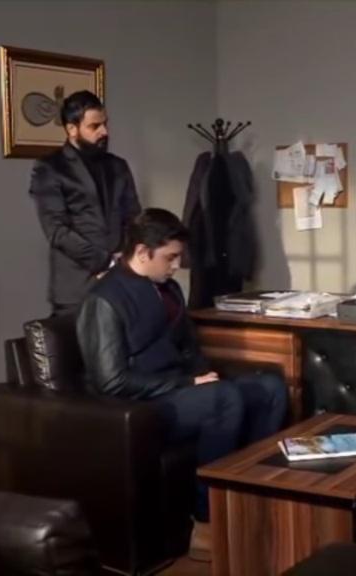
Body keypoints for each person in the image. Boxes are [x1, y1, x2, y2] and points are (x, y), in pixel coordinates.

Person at [75, 208, 287, 561]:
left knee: (270, 388)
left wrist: (204, 375)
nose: (177, 266)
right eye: (170, 258)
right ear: (142, 252)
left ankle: (255, 496)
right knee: (223, 399)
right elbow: (111, 381)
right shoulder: (104, 300)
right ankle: (206, 523)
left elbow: (189, 347)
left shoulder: (169, 288)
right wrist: (189, 382)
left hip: (181, 390)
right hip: (142, 407)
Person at [29, 90, 141, 316]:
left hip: (121, 282)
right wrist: (105, 262)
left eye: (105, 124)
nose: (104, 132)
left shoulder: (118, 166)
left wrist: (124, 262)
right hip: (77, 287)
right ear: (72, 129)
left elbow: (134, 218)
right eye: (94, 126)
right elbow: (57, 231)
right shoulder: (50, 168)